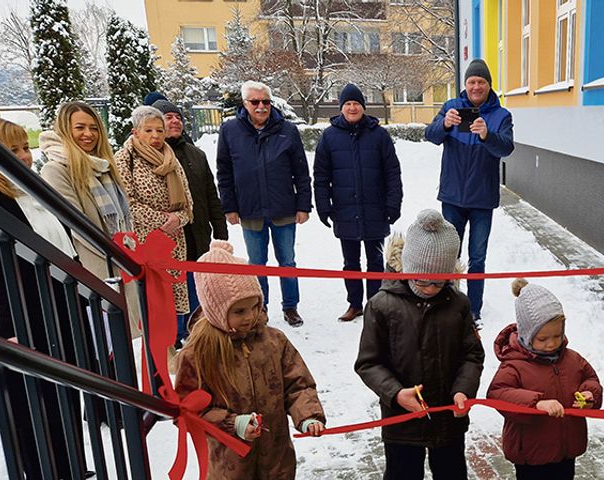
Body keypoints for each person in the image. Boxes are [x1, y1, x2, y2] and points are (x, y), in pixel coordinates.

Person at [174, 240, 326, 480]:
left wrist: (307, 415)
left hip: (274, 453)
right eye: (238, 311)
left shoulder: (275, 342)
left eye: (254, 307)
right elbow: (187, 408)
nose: (249, 318)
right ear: (214, 310)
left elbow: (298, 384)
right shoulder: (199, 353)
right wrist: (231, 423)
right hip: (228, 461)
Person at [355, 209, 484, 480]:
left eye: (438, 282)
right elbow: (368, 363)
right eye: (422, 281)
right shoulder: (382, 306)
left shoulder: (457, 304)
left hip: (448, 422)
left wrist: (463, 390)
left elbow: (472, 355)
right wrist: (396, 393)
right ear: (406, 266)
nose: (429, 288)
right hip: (402, 424)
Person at [0, 118, 80, 480]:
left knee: (56, 385)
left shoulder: (27, 190)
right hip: (15, 313)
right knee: (27, 399)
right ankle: (40, 479)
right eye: (11, 151)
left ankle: (66, 463)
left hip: (50, 306)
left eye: (23, 148)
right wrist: (5, 327)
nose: (23, 157)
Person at [487, 279, 603, 480]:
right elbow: (498, 393)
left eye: (557, 336)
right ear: (527, 335)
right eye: (543, 339)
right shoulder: (513, 365)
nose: (552, 343)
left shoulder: (572, 359)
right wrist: (535, 402)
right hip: (531, 452)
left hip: (565, 448)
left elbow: (592, 380)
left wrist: (588, 394)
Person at [39, 101, 141, 335]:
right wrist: (116, 257)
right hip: (97, 265)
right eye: (80, 128)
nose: (88, 134)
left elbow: (125, 217)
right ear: (65, 129)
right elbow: (76, 225)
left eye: (94, 128)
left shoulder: (104, 166)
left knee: (137, 335)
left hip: (125, 259)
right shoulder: (56, 169)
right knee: (114, 338)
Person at [424, 58, 514, 324]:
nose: (476, 86)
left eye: (481, 82)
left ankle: (473, 309)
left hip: (482, 199)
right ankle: (448, 302)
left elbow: (506, 148)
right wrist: (445, 124)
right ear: (465, 85)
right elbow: (430, 135)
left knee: (477, 257)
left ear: (488, 85)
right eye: (472, 82)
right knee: (450, 255)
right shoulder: (452, 107)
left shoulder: (501, 115)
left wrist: (487, 135)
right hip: (452, 197)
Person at [217, 80, 312, 328]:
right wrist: (229, 207)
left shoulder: (287, 130)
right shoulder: (230, 131)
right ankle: (260, 308)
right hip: (250, 210)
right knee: (257, 264)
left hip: (283, 209)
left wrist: (303, 205)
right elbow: (224, 172)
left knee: (287, 262)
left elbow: (301, 172)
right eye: (255, 102)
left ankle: (291, 307)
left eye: (266, 102)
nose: (261, 107)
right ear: (245, 103)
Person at [313, 83, 403, 322]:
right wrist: (324, 206)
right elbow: (321, 176)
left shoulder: (379, 135)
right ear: (342, 107)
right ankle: (354, 304)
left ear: (363, 106)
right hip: (345, 209)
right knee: (350, 262)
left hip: (375, 208)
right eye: (348, 104)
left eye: (356, 104)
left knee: (375, 260)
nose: (352, 108)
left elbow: (392, 172)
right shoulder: (329, 136)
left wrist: (394, 203)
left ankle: (375, 305)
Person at [114, 105, 193, 337]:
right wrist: (162, 220)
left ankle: (170, 345)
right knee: (150, 301)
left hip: (173, 242)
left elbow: (188, 203)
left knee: (170, 300)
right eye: (148, 130)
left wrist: (178, 218)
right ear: (135, 131)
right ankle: (158, 352)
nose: (155, 136)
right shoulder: (125, 159)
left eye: (159, 130)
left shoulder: (171, 158)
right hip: (145, 243)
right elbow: (127, 204)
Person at [152, 98, 228, 327]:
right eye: (168, 117)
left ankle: (195, 329)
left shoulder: (196, 154)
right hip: (169, 237)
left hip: (198, 233)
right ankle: (175, 334)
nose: (175, 121)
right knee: (173, 287)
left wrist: (220, 230)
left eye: (178, 117)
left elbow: (210, 195)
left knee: (197, 283)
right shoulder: (149, 157)